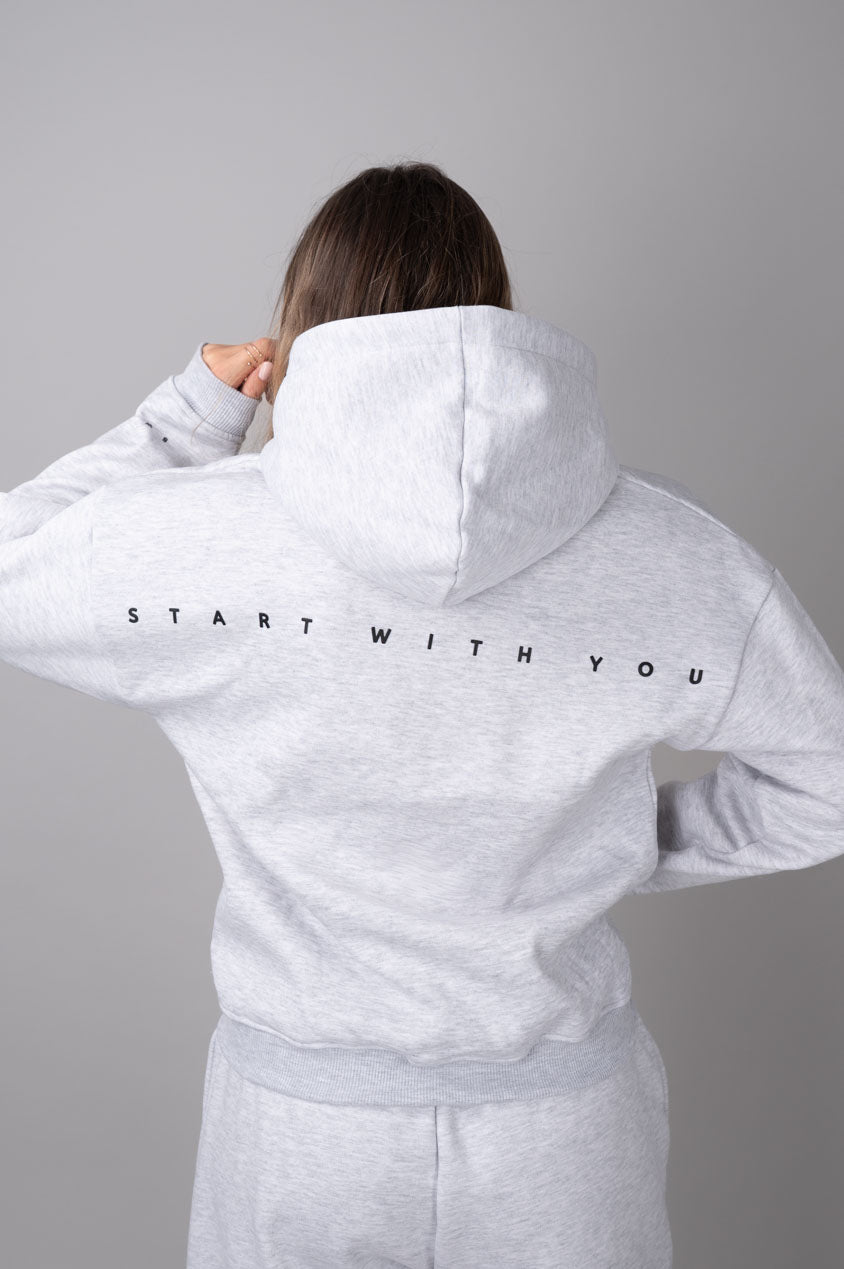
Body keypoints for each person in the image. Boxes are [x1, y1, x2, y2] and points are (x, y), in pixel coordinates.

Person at [2, 160, 843, 1269]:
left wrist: (186, 419)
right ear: (497, 312)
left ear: (303, 328)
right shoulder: (678, 553)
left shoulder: (195, 543)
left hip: (302, 1135)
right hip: (564, 1138)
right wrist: (616, 843)